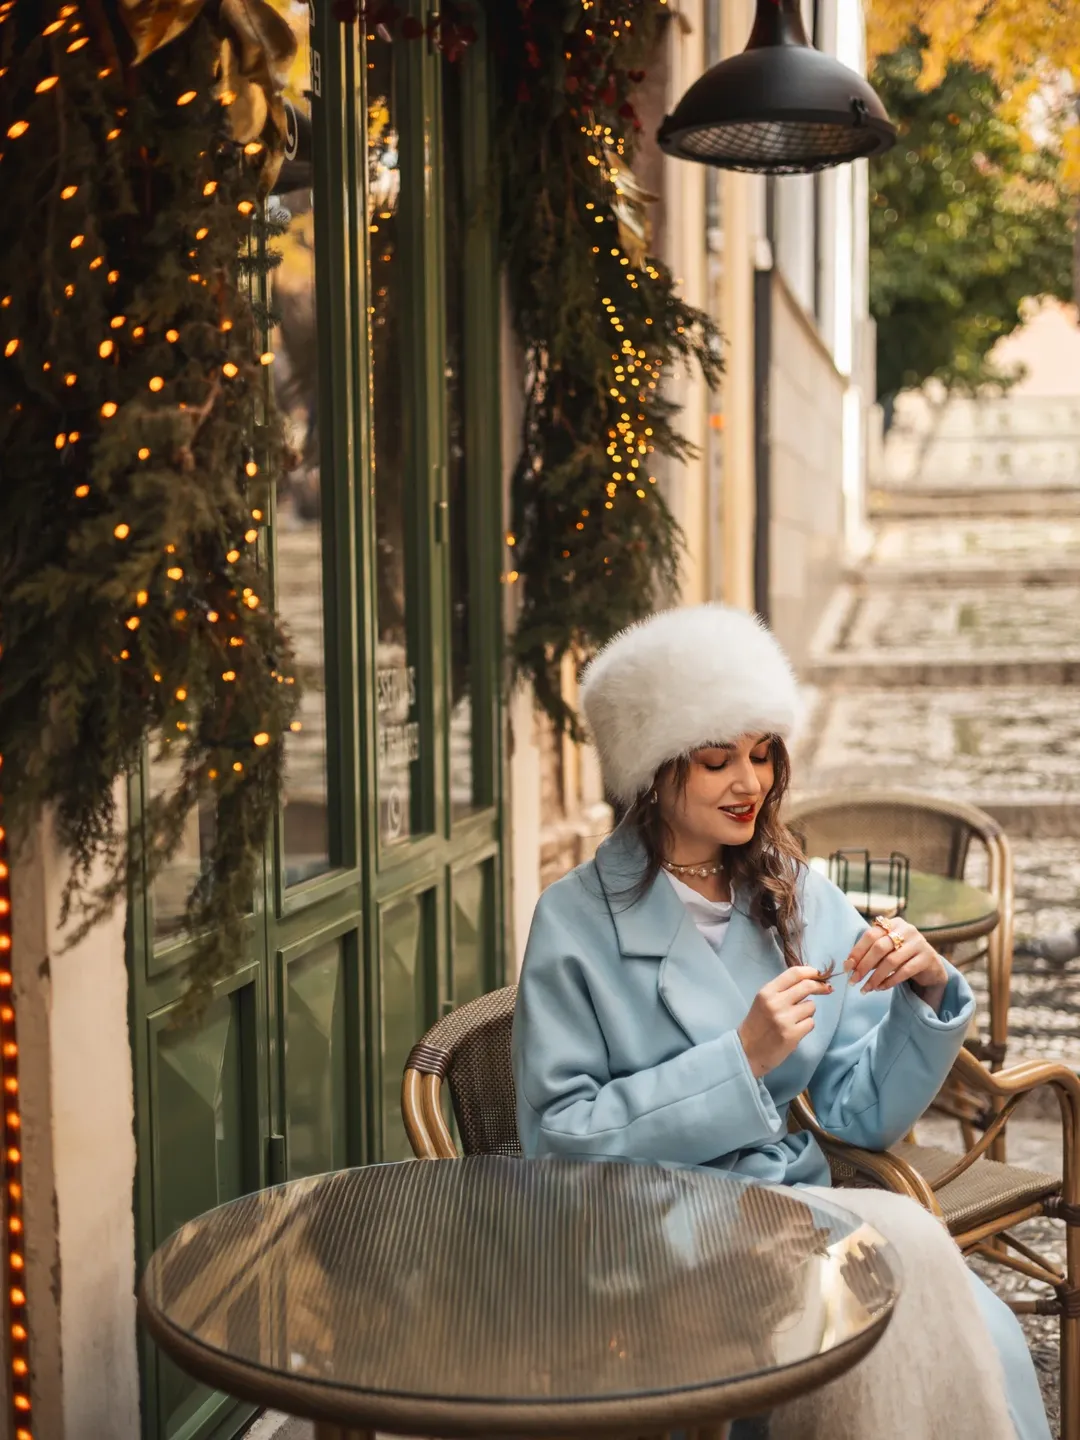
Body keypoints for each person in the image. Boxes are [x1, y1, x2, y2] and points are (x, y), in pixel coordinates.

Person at [511, 603, 1051, 1440]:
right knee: (892, 1282)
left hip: (791, 1211)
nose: (751, 784)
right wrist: (740, 1060)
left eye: (762, 755)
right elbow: (557, 1139)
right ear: (653, 770)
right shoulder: (575, 922)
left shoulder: (792, 891)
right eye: (718, 761)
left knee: (960, 1313)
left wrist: (926, 994)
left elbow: (856, 1114)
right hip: (647, 1238)